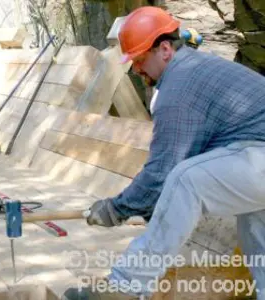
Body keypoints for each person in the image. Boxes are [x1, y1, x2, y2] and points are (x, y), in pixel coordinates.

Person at [62, 6, 265, 299]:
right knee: (258, 235)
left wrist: (116, 208)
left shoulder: (179, 88)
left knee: (186, 180)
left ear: (166, 49)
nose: (137, 69)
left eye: (140, 59)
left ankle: (125, 287)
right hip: (256, 157)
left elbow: (163, 173)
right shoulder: (196, 71)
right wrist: (147, 206)